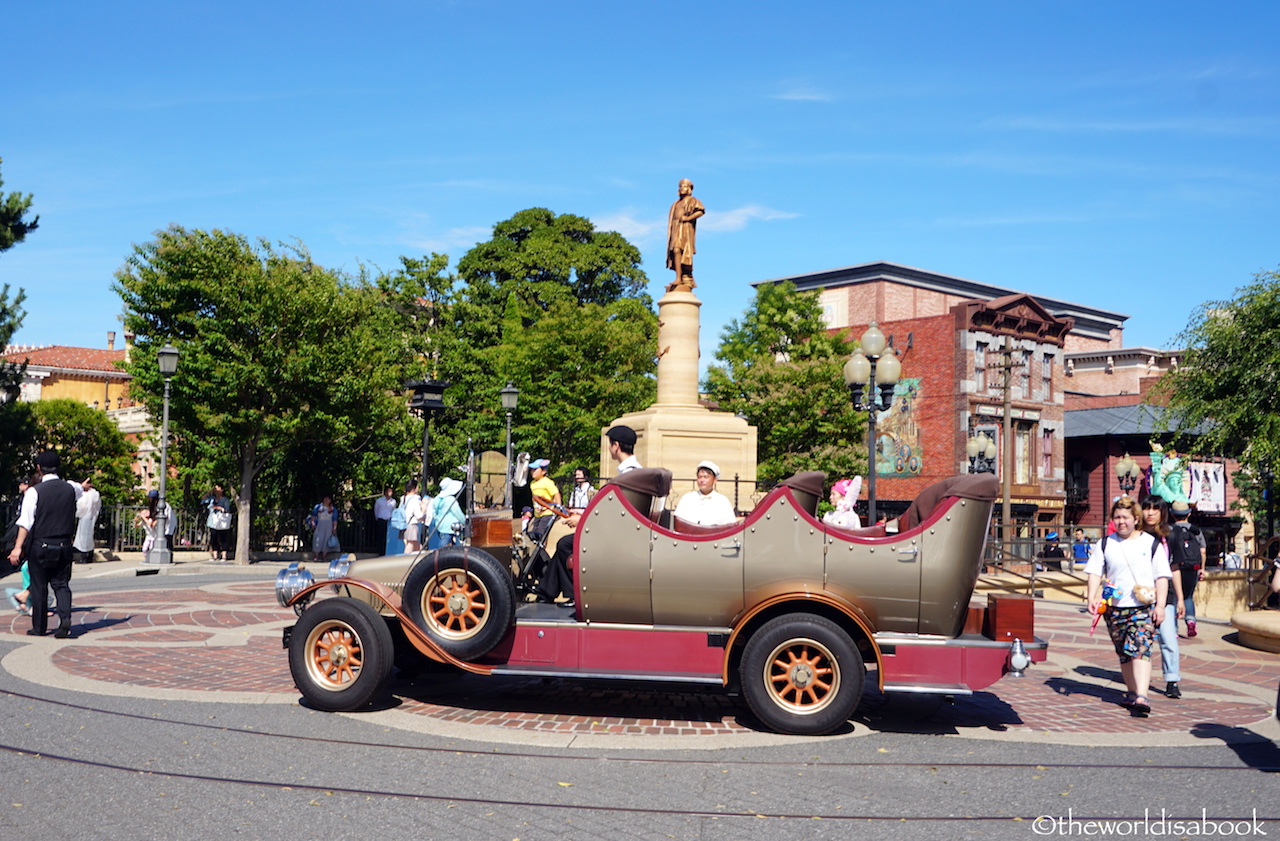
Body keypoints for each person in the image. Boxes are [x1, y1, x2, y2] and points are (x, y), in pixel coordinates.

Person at [1086, 495, 1172, 716]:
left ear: (1135, 518)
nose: (1121, 521)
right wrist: (1091, 596)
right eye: (1117, 517)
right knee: (1124, 651)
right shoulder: (1105, 544)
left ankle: (1143, 695)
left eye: (1125, 517)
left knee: (1140, 648)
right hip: (1114, 608)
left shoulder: (1150, 543)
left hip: (1142, 607)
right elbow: (1095, 572)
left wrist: (1160, 606)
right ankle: (1133, 692)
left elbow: (1162, 576)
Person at [7, 451, 83, 638]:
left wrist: (18, 547)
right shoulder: (70, 488)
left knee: (39, 586)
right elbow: (81, 489)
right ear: (58, 467)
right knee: (62, 584)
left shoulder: (34, 492)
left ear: (39, 468)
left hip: (40, 544)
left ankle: (39, 627)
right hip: (64, 543)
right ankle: (65, 619)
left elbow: (25, 522)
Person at [1140, 495, 1182, 699]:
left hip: (1166, 595)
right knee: (1141, 639)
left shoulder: (1171, 534)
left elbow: (1174, 568)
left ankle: (1172, 679)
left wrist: (1181, 598)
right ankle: (1140, 680)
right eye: (1146, 508)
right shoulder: (1136, 535)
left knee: (1168, 638)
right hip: (1140, 593)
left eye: (1155, 509)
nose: (1150, 513)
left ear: (1162, 512)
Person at [1167, 500, 1203, 637]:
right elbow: (1203, 551)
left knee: (1174, 598)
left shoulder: (1169, 530)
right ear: (1188, 514)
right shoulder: (1196, 531)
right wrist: (1202, 569)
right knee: (1188, 596)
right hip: (1192, 567)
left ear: (1172, 514)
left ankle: (1174, 629)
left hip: (1174, 567)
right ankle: (1191, 621)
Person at [665, 178, 705, 292]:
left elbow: (700, 211)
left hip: (685, 228)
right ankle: (680, 277)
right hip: (676, 227)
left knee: (680, 250)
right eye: (681, 186)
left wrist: (688, 218)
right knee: (674, 251)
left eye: (685, 186)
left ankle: (680, 278)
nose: (682, 188)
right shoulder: (676, 203)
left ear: (690, 189)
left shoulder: (692, 200)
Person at [673, 460, 737, 527]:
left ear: (714, 480)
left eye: (706, 477)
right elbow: (678, 522)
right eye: (699, 477)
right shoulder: (687, 498)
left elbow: (730, 525)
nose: (702, 480)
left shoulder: (722, 501)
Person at [425, 477, 466, 550]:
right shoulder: (451, 500)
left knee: (447, 544)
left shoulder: (436, 499)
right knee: (445, 546)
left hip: (440, 526)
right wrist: (465, 522)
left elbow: (434, 513)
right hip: (451, 527)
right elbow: (458, 513)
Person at [72, 474, 102, 564]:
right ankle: (89, 555)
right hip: (90, 516)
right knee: (88, 537)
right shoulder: (94, 493)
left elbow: (82, 506)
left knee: (84, 538)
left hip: (85, 516)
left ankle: (84, 557)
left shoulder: (88, 494)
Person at [202, 483, 233, 562]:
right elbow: (203, 499)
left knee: (223, 538)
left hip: (222, 520)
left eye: (218, 488)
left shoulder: (225, 500)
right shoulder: (212, 499)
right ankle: (215, 555)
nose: (216, 490)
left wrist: (218, 508)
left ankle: (224, 556)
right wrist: (209, 492)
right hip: (213, 520)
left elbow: (227, 509)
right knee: (213, 538)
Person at [308, 495, 337, 563]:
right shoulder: (318, 507)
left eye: (328, 499)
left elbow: (334, 519)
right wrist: (312, 522)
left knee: (327, 539)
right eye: (325, 498)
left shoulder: (333, 509)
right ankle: (316, 555)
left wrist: (334, 527)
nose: (327, 500)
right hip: (320, 524)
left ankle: (324, 556)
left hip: (329, 525)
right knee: (318, 538)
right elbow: (313, 515)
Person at [401, 480, 424, 553]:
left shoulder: (403, 499)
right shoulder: (415, 499)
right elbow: (419, 515)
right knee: (410, 544)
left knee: (416, 545)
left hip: (404, 524)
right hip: (412, 525)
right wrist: (424, 509)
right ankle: (405, 561)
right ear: (414, 488)